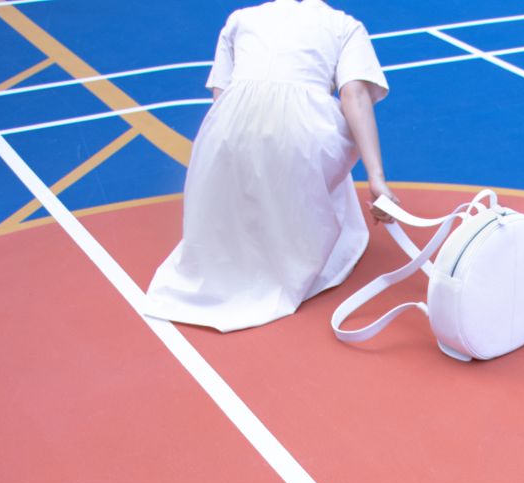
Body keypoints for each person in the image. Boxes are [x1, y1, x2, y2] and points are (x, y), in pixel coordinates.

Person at [145, 0, 394, 332]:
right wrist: (376, 177)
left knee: (253, 163)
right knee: (312, 145)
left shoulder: (239, 19)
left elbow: (222, 94)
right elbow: (354, 96)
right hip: (304, 132)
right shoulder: (344, 25)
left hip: (228, 129)